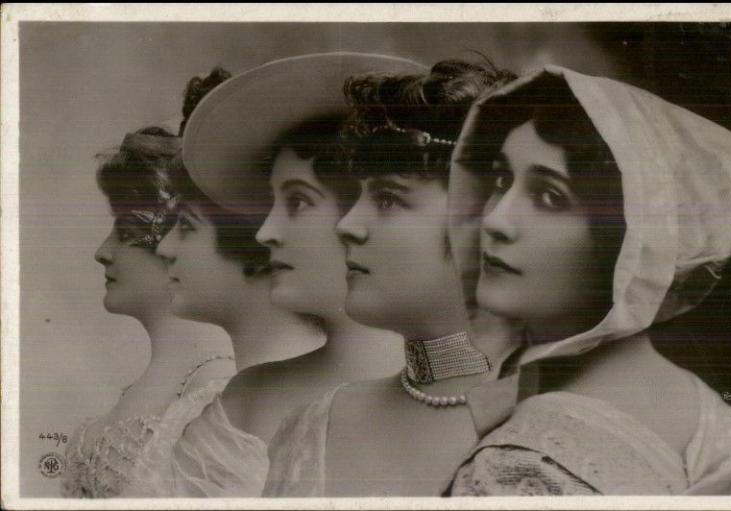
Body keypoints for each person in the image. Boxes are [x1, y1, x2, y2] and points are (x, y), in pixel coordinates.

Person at [443, 66, 731, 495]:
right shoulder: (709, 414)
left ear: (633, 238)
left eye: (549, 197)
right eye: (502, 180)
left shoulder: (520, 464)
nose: (495, 219)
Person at [166, 53, 425, 495]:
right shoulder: (249, 400)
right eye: (271, 205)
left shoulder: (482, 396)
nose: (266, 232)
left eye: (298, 202)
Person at [264, 59, 519, 497]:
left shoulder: (558, 428)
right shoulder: (316, 426)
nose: (346, 224)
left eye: (386, 199)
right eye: (358, 195)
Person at [61, 120, 235, 497]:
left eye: (124, 233)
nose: (102, 253)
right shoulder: (138, 391)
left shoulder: (214, 389)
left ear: (173, 243)